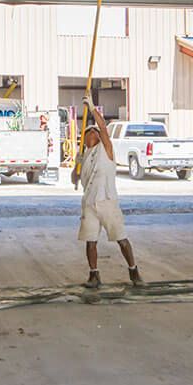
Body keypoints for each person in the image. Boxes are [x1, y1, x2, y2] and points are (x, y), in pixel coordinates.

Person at [71, 95, 144, 289]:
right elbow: (74, 181)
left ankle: (134, 271)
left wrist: (93, 109)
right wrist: (76, 166)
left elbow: (103, 128)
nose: (92, 133)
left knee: (121, 238)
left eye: (94, 131)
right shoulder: (84, 155)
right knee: (90, 240)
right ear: (85, 138)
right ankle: (94, 275)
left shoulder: (106, 149)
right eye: (89, 132)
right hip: (90, 202)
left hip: (107, 201)